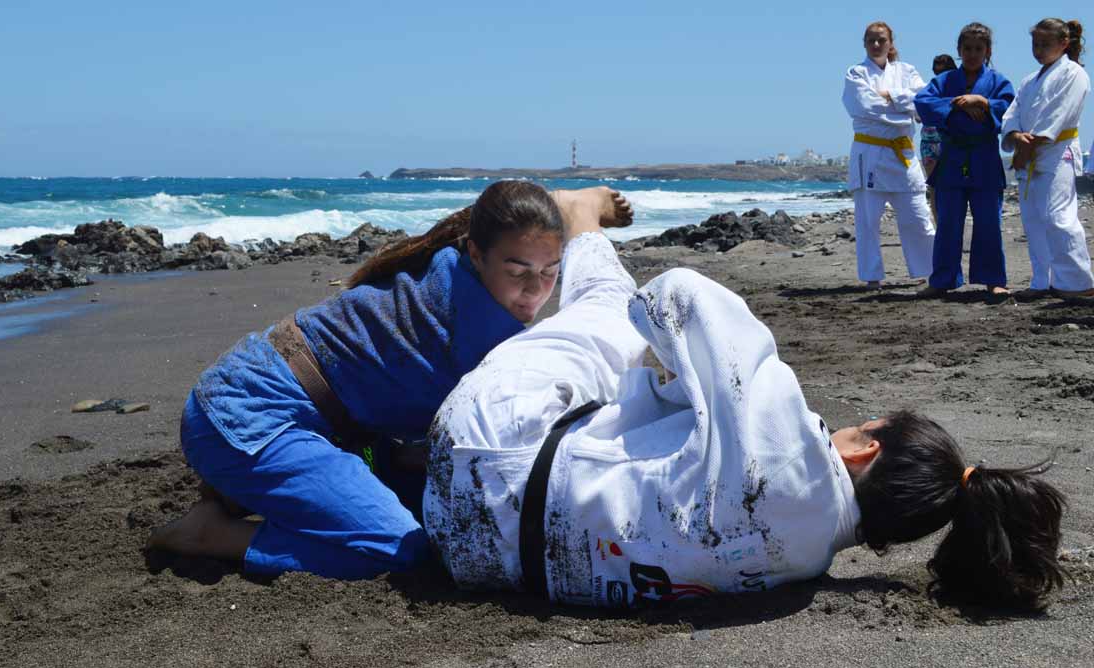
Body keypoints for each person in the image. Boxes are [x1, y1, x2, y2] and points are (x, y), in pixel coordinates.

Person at [425, 219, 1067, 611]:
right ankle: (399, 456)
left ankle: (582, 219)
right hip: (477, 554)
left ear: (866, 447)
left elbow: (677, 295)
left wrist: (674, 359)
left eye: (859, 426)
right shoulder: (803, 562)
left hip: (486, 438)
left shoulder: (789, 442)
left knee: (606, 310)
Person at [146, 181, 633, 579]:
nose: (534, 290)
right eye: (517, 269)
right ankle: (209, 534)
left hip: (316, 417)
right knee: (396, 545)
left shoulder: (448, 260)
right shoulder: (481, 327)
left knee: (426, 494)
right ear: (477, 252)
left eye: (550, 271)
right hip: (244, 415)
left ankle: (252, 489)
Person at [914, 23, 1016, 298]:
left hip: (984, 156)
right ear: (959, 51)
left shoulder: (998, 82)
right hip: (952, 156)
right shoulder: (944, 81)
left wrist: (983, 101)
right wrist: (959, 104)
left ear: (988, 51)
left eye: (978, 49)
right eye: (967, 49)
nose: (972, 54)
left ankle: (994, 279)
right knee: (947, 221)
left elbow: (1007, 109)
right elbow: (922, 103)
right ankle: (943, 279)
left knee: (989, 222)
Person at [1001, 18, 1094, 300]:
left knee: (1058, 216)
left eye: (1045, 44)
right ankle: (1044, 280)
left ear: (1064, 44)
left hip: (1057, 152)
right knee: (1033, 220)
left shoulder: (1074, 73)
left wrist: (1029, 146)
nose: (1038, 50)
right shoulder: (1030, 80)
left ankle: (1080, 283)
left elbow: (1058, 114)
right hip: (1028, 152)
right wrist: (1016, 137)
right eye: (1035, 44)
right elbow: (1012, 114)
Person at [842, 21, 937, 288]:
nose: (875, 45)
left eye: (881, 40)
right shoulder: (856, 73)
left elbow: (925, 100)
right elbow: (864, 106)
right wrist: (905, 108)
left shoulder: (907, 71)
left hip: (903, 153)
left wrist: (891, 96)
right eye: (870, 40)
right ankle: (872, 276)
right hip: (870, 154)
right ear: (864, 43)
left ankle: (929, 270)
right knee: (868, 222)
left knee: (918, 216)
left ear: (891, 43)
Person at [920, 54, 958, 222]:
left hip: (951, 142)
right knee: (934, 189)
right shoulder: (931, 89)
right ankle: (940, 230)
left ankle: (950, 228)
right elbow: (918, 115)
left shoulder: (960, 89)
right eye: (937, 72)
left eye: (943, 71)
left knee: (954, 188)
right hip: (929, 143)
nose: (939, 75)